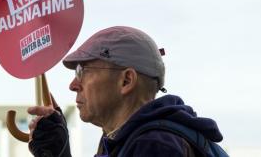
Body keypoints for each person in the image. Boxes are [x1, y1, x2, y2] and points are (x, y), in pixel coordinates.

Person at [27, 26, 225, 157]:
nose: (73, 85)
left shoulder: (154, 147)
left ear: (126, 80)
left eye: (82, 71)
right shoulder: (120, 141)